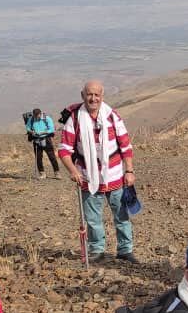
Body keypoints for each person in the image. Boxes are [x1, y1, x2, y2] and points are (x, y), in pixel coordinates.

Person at [58, 80, 137, 263]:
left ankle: (125, 250)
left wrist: (129, 171)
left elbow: (125, 145)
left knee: (122, 215)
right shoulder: (75, 119)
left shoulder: (112, 116)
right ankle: (97, 250)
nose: (93, 99)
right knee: (92, 219)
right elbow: (64, 150)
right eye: (89, 94)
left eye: (97, 95)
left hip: (115, 175)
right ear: (82, 95)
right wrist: (72, 171)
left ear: (102, 96)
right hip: (87, 176)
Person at [25, 108, 60, 179]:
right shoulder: (31, 119)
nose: (36, 118)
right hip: (36, 140)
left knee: (52, 157)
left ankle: (57, 173)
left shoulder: (47, 119)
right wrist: (32, 132)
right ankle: (42, 173)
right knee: (38, 158)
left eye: (37, 116)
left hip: (46, 139)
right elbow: (28, 127)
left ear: (40, 114)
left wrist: (43, 132)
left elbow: (51, 129)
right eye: (34, 116)